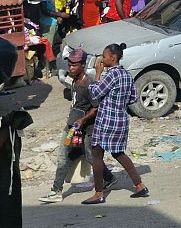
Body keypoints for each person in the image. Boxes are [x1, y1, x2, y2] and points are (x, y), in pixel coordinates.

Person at [39, 49, 116, 203]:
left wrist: (82, 120)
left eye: (74, 65)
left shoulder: (88, 84)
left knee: (88, 156)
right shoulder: (74, 81)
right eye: (69, 64)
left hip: (85, 128)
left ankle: (108, 179)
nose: (71, 68)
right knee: (65, 157)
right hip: (72, 127)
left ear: (83, 65)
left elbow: (96, 107)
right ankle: (56, 190)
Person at [82, 43, 148, 204]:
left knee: (96, 154)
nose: (102, 60)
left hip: (107, 120)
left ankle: (99, 193)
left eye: (104, 57)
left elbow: (96, 94)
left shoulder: (111, 75)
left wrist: (97, 75)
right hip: (121, 119)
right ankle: (140, 186)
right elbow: (133, 98)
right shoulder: (126, 74)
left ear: (113, 57)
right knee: (118, 153)